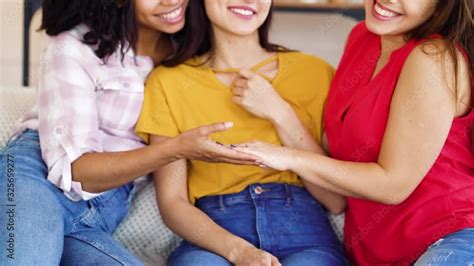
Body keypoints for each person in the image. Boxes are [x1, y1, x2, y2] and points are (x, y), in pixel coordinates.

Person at [0, 0, 257, 264]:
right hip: (37, 177)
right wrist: (174, 149)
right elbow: (75, 169)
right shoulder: (74, 46)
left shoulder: (188, 55)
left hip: (100, 209)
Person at [235, 0, 474, 265]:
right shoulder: (362, 36)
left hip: (453, 236)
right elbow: (336, 183)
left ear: (442, 6)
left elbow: (393, 186)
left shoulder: (433, 57)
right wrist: (279, 114)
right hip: (374, 250)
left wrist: (288, 157)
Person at [135, 0, 348, 265]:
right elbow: (172, 203)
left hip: (305, 235)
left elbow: (335, 200)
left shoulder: (314, 72)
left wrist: (280, 113)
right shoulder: (168, 82)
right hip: (214, 241)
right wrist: (239, 251)